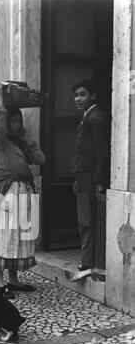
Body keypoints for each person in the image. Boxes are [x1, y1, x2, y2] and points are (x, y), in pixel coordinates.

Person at [0, 88, 45, 299]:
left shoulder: (20, 142)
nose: (17, 124)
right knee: (3, 236)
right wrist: (1, 100)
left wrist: (26, 137)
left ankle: (13, 280)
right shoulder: (0, 142)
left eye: (18, 121)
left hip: (22, 192)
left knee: (17, 238)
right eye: (13, 121)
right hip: (7, 192)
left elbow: (40, 159)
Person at [70, 79, 110, 282]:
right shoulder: (87, 116)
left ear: (93, 96)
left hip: (90, 178)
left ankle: (88, 265)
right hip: (83, 176)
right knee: (85, 220)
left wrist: (98, 181)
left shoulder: (94, 118)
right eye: (76, 95)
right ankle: (89, 262)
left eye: (83, 94)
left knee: (87, 221)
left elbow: (102, 152)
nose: (78, 98)